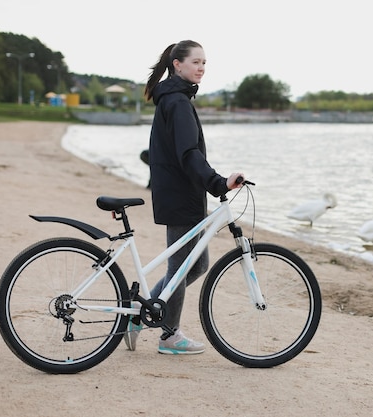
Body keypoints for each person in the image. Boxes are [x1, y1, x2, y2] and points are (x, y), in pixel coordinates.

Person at [124, 40, 244, 355]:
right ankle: (168, 335)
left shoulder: (174, 99)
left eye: (205, 62)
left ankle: (143, 313)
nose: (201, 67)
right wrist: (218, 183)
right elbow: (188, 154)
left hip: (179, 194)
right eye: (195, 62)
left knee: (195, 264)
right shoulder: (177, 102)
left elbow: (182, 153)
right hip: (180, 197)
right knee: (181, 268)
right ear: (177, 65)